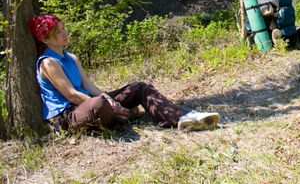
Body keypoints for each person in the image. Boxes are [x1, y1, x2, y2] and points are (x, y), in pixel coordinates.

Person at [28, 14, 220, 133]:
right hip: (68, 115)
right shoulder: (48, 63)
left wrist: (109, 98)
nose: (64, 34)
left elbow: (88, 86)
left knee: (139, 88)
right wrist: (106, 102)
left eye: (63, 29)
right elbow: (70, 94)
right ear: (45, 39)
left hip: (89, 102)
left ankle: (181, 118)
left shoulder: (72, 57)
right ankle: (122, 115)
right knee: (99, 104)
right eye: (58, 32)